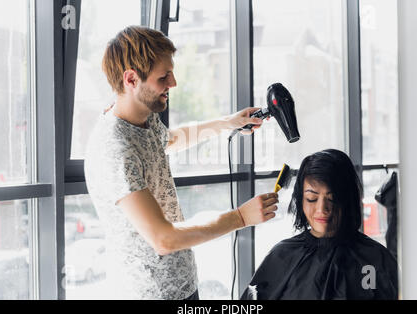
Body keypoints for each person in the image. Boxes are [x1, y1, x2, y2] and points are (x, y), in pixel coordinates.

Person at [84, 26, 278, 300]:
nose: (173, 83)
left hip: (181, 286)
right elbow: (163, 239)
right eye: (163, 77)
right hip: (150, 294)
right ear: (131, 79)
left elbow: (169, 140)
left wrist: (227, 123)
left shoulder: (143, 116)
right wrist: (241, 217)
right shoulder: (115, 148)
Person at [241, 149, 398, 300]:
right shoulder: (282, 256)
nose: (322, 209)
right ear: (300, 199)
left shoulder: (375, 259)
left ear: (348, 199)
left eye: (332, 198)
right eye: (311, 198)